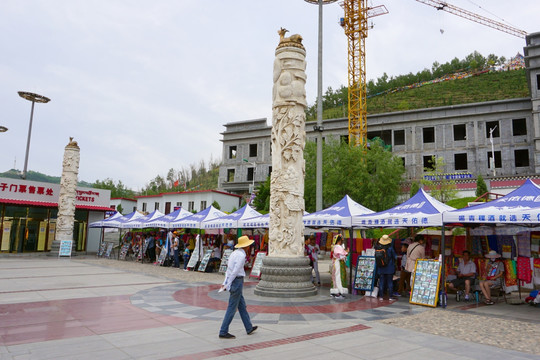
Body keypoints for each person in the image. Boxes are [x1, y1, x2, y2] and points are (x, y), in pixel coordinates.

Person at [218, 235, 258, 339]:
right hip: (237, 281)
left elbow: (229, 269)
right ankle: (223, 330)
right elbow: (235, 271)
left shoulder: (234, 253)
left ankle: (248, 327)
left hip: (234, 281)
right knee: (232, 307)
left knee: (241, 305)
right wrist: (228, 284)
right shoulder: (241, 256)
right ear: (246, 246)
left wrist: (225, 282)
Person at [375, 234, 397, 301]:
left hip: (381, 268)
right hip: (389, 268)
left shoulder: (378, 248)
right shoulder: (390, 248)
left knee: (381, 282)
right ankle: (390, 297)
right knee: (390, 282)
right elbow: (395, 257)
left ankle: (381, 297)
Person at [330, 234, 348, 299]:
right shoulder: (338, 247)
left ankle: (335, 291)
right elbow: (341, 256)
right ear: (339, 240)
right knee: (338, 276)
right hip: (338, 263)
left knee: (335, 276)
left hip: (336, 263)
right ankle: (338, 291)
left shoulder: (335, 247)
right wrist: (346, 253)